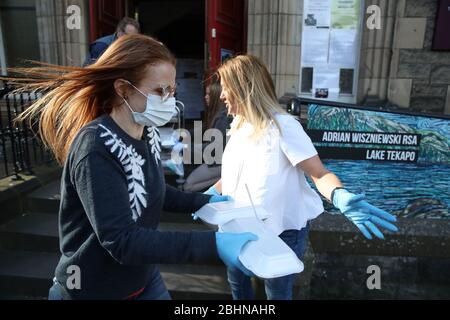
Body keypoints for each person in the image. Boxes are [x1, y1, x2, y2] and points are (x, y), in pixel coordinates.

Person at [9, 35, 258, 300]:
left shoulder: (146, 132)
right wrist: (214, 245)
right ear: (123, 89)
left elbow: (154, 189)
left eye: (172, 91)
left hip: (142, 278)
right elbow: (122, 240)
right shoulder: (95, 147)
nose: (169, 100)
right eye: (160, 91)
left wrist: (203, 201)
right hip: (92, 290)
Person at [209, 55, 398, 300]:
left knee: (277, 293)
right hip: (238, 229)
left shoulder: (283, 127)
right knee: (239, 288)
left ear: (245, 88)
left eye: (226, 89)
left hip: (282, 231)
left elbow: (319, 174)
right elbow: (234, 176)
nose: (222, 95)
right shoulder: (238, 127)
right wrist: (207, 196)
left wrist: (338, 195)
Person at [183, 80, 232, 192]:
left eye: (209, 94)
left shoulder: (223, 118)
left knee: (188, 186)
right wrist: (182, 136)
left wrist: (187, 147)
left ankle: (222, 180)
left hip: (218, 162)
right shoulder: (216, 113)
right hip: (214, 159)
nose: (205, 97)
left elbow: (214, 148)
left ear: (216, 96)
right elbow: (203, 127)